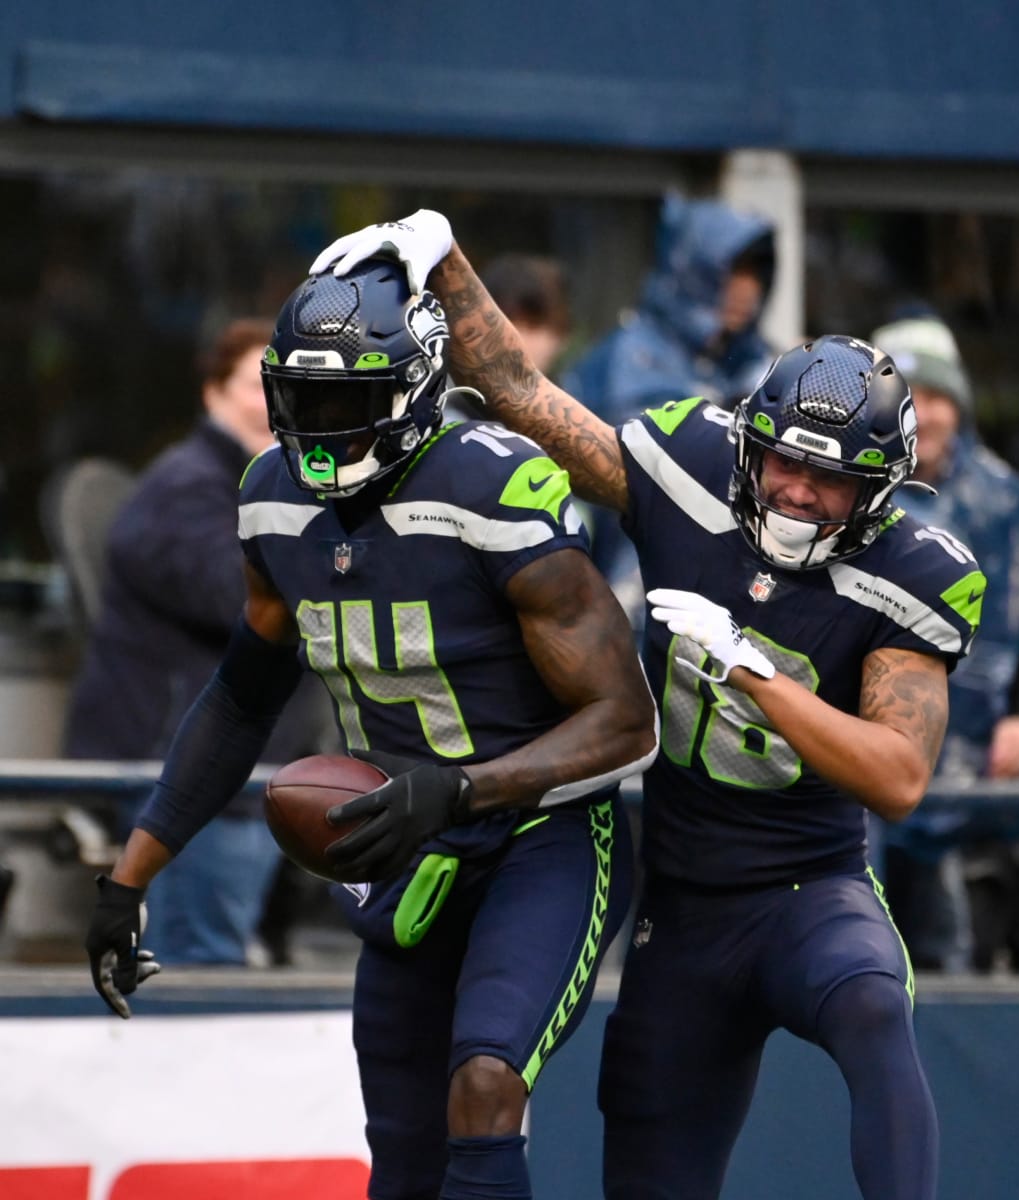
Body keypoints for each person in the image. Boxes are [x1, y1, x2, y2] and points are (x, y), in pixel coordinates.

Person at [309, 212, 987, 1200]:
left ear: (880, 488)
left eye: (829, 478)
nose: (796, 492)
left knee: (875, 1009)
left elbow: (898, 777)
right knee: (652, 1158)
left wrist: (754, 671)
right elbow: (518, 393)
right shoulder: (692, 469)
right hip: (681, 902)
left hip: (810, 887)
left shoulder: (913, 574)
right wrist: (447, 257)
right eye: (783, 460)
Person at [83, 260, 658, 1200]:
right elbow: (239, 699)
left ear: (416, 384)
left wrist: (464, 788)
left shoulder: (490, 487)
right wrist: (129, 876)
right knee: (400, 1154)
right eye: (299, 395)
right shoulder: (271, 495)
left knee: (485, 1085)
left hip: (540, 838)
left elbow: (628, 721)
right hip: (404, 845)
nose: (317, 424)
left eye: (344, 398)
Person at [64, 317, 335, 967]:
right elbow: (254, 604)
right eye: (253, 385)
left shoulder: (265, 487)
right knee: (196, 987)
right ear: (213, 393)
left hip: (252, 787)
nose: (272, 403)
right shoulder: (186, 492)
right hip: (193, 792)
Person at [870, 314, 1019, 971]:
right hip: (844, 772)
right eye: (911, 397)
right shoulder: (832, 490)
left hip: (958, 783)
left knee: (942, 964)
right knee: (852, 946)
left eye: (942, 396)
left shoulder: (1007, 502)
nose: (930, 413)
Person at [563, 194, 779, 597]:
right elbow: (643, 466)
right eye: (730, 271)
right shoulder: (629, 356)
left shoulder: (757, 362)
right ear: (692, 270)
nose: (745, 289)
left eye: (755, 273)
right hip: (626, 582)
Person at [479, 253, 572, 376]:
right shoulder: (448, 391)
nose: (516, 339)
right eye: (503, 324)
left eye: (532, 326)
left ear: (561, 336)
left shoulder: (580, 391)